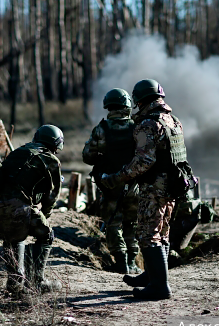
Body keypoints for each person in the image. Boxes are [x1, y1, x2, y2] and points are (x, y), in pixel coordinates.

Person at [100, 79, 196, 300]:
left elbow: (144, 161)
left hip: (155, 187)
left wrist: (118, 177)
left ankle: (159, 287)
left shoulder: (148, 124)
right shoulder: (173, 120)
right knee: (161, 232)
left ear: (139, 100)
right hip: (173, 185)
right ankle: (153, 276)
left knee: (146, 234)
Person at [0, 125, 64, 294]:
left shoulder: (18, 152)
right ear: (56, 144)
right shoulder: (50, 159)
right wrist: (45, 214)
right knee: (46, 235)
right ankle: (37, 281)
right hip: (19, 208)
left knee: (13, 237)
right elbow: (53, 195)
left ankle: (15, 282)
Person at [82, 88, 141, 275]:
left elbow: (88, 157)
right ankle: (132, 261)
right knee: (132, 223)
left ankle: (121, 261)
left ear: (109, 106)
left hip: (110, 184)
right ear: (127, 106)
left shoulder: (102, 129)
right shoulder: (138, 127)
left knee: (113, 223)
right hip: (134, 184)